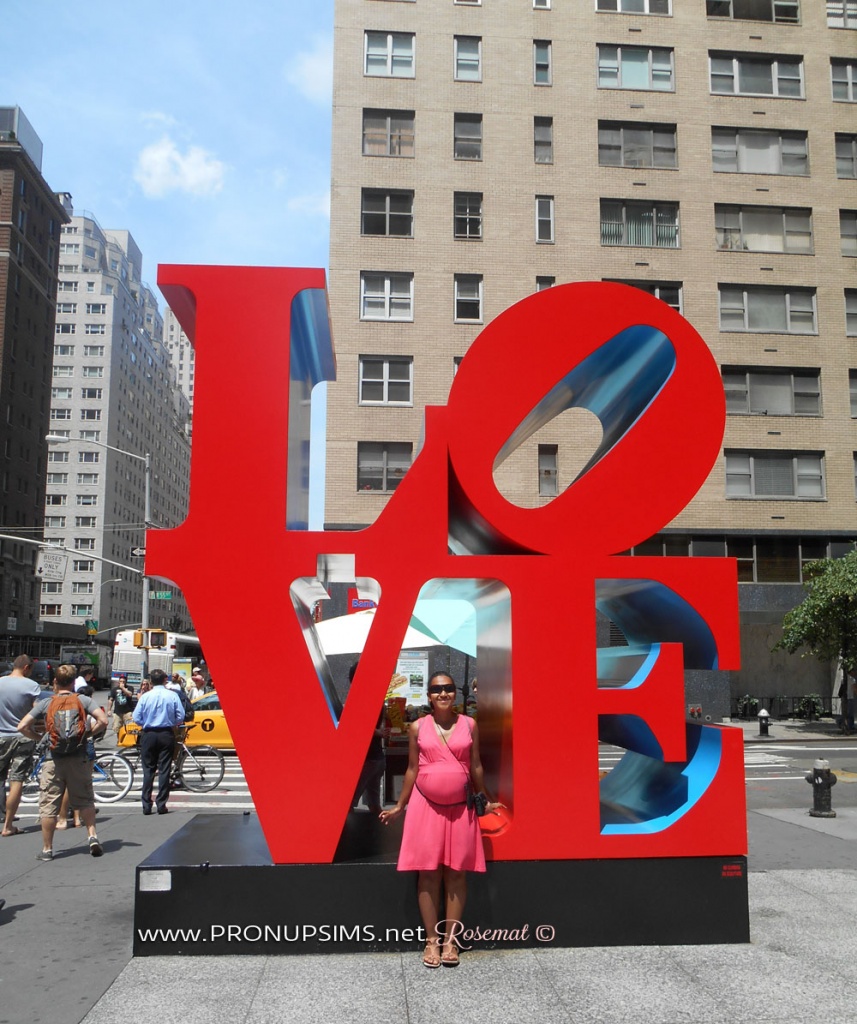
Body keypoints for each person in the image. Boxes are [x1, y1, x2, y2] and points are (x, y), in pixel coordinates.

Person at [379, 672, 501, 969]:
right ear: (429, 695)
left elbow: (476, 765)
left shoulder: (469, 724)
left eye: (448, 689)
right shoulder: (416, 727)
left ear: (455, 694)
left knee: (457, 872)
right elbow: (411, 769)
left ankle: (450, 941)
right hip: (425, 806)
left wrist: (484, 798)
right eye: (437, 690)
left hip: (460, 807)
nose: (443, 694)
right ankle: (431, 940)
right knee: (429, 873)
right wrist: (399, 805)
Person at [17, 664, 108, 861]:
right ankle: (92, 835)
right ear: (74, 682)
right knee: (85, 798)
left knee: (49, 804)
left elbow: (22, 726)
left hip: (53, 759)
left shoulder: (46, 703)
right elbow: (103, 720)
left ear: (55, 682)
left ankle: (47, 849)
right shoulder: (82, 700)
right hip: (79, 757)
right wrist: (87, 735)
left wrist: (40, 737)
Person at [132, 668, 185, 815]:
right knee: (164, 769)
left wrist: (145, 722)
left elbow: (136, 717)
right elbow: (180, 715)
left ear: (150, 681)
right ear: (164, 680)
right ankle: (161, 804)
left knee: (148, 770)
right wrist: (172, 722)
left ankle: (146, 805)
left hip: (148, 733)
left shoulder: (145, 696)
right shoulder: (172, 695)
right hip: (166, 733)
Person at [0, 655, 41, 836]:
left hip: (0, 736)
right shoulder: (31, 686)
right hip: (22, 736)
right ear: (26, 668)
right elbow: (37, 712)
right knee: (16, 780)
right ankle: (8, 825)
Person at [349, 662, 387, 816]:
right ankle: (379, 833)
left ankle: (347, 837)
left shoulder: (359, 698)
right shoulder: (376, 696)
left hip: (366, 759)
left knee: (348, 803)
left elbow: (361, 725)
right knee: (373, 803)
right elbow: (381, 720)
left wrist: (378, 732)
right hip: (377, 758)